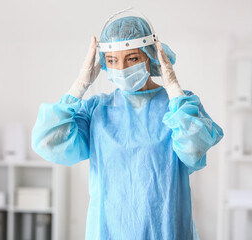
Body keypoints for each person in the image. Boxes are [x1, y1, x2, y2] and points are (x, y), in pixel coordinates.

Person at [31, 9, 224, 240]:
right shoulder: (97, 110)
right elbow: (47, 141)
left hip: (165, 229)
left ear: (150, 56)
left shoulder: (178, 107)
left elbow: (194, 148)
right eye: (112, 60)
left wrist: (173, 86)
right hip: (108, 231)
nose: (121, 68)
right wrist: (79, 85)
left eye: (132, 58)